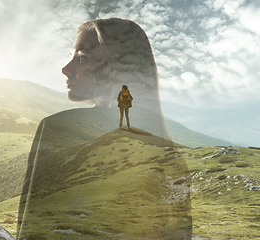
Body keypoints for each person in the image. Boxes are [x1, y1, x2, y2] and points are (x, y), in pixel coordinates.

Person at [17, 18, 191, 239]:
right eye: (71, 57)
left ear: (114, 69)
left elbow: (32, 230)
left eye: (82, 58)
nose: (65, 69)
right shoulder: (172, 155)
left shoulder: (57, 127)